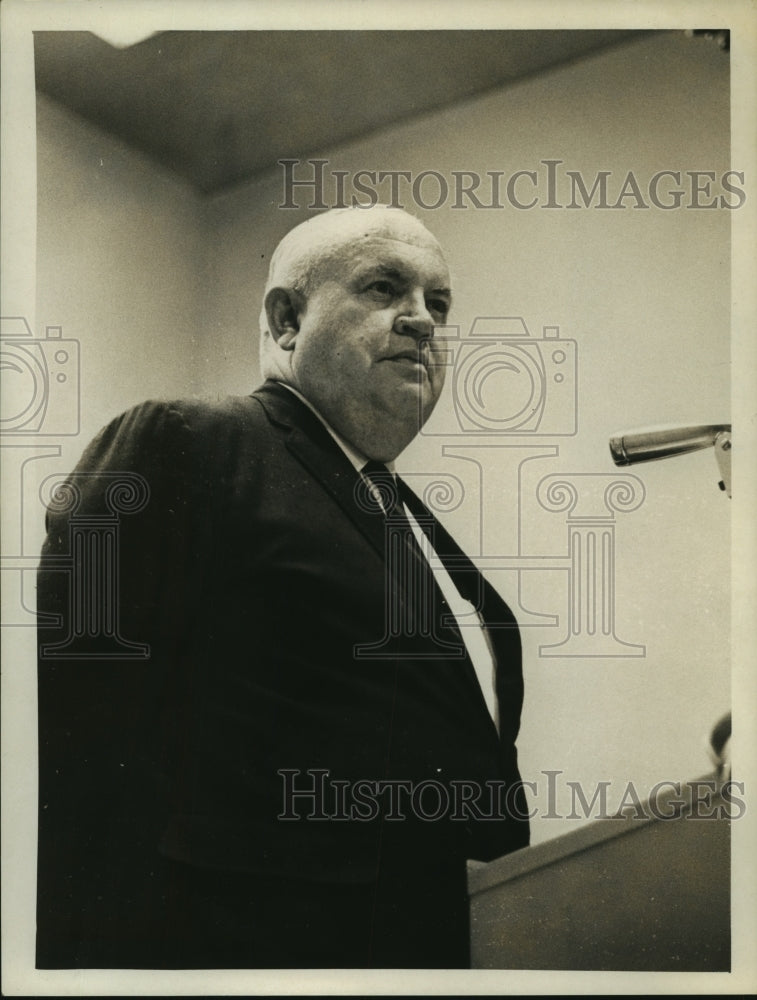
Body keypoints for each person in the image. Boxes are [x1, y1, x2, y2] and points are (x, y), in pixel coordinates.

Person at [36, 206, 529, 970]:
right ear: (287, 318)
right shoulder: (186, 440)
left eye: (439, 303)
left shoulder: (405, 516)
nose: (422, 322)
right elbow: (79, 732)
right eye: (383, 287)